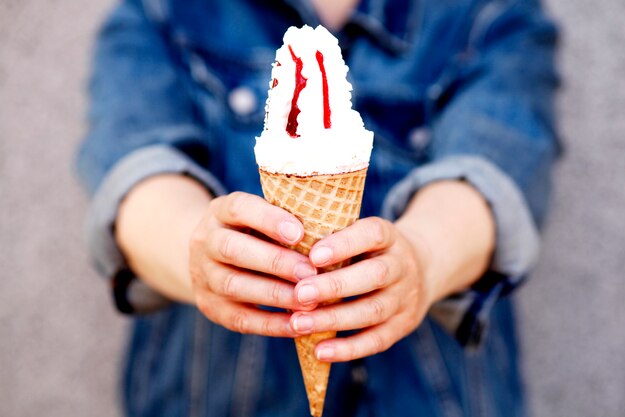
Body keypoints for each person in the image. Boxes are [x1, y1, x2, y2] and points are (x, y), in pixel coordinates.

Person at [76, 0, 560, 416]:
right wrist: (196, 251)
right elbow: (134, 170)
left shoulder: (488, 14)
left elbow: (497, 165)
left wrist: (425, 257)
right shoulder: (164, 10)